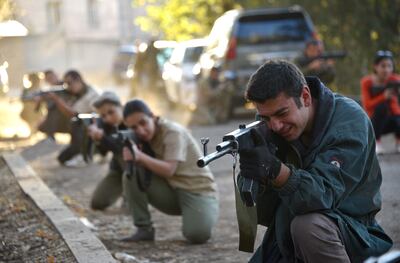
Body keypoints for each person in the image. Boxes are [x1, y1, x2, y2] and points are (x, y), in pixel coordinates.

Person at [237, 60, 392, 262]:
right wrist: (253, 172)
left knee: (308, 226)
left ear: (306, 96)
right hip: (285, 237)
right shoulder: (272, 129)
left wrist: (275, 171)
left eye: (282, 113)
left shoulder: (349, 122)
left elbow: (321, 196)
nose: (275, 125)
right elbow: (264, 214)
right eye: (266, 118)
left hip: (351, 234)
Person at [121, 99, 219, 244]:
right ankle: (144, 229)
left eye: (143, 123)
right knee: (132, 174)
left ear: (153, 117)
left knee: (197, 235)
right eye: (134, 128)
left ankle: (201, 212)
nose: (140, 131)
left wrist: (139, 156)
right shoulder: (140, 137)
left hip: (198, 191)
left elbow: (169, 170)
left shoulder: (172, 132)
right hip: (172, 190)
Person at [43, 70, 99, 165]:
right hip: (84, 130)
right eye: (65, 83)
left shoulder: (90, 95)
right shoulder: (78, 93)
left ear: (78, 80)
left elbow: (72, 113)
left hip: (92, 131)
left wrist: (56, 99)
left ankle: (84, 155)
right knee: (62, 158)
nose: (67, 87)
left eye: (69, 83)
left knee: (77, 120)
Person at [360, 50, 400, 154]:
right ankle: (377, 143)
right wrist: (384, 97)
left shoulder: (395, 80)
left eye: (389, 66)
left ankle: (398, 142)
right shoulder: (367, 82)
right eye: (383, 66)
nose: (386, 69)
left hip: (390, 121)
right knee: (381, 107)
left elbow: (396, 111)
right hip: (373, 121)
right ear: (375, 67)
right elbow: (367, 105)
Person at [37, 70, 76, 138]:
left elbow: (69, 101)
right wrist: (40, 101)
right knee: (41, 126)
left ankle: (50, 139)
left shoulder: (65, 86)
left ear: (56, 75)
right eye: (48, 78)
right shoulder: (49, 90)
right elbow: (44, 107)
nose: (51, 80)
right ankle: (50, 139)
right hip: (56, 119)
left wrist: (55, 98)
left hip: (67, 116)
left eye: (52, 77)